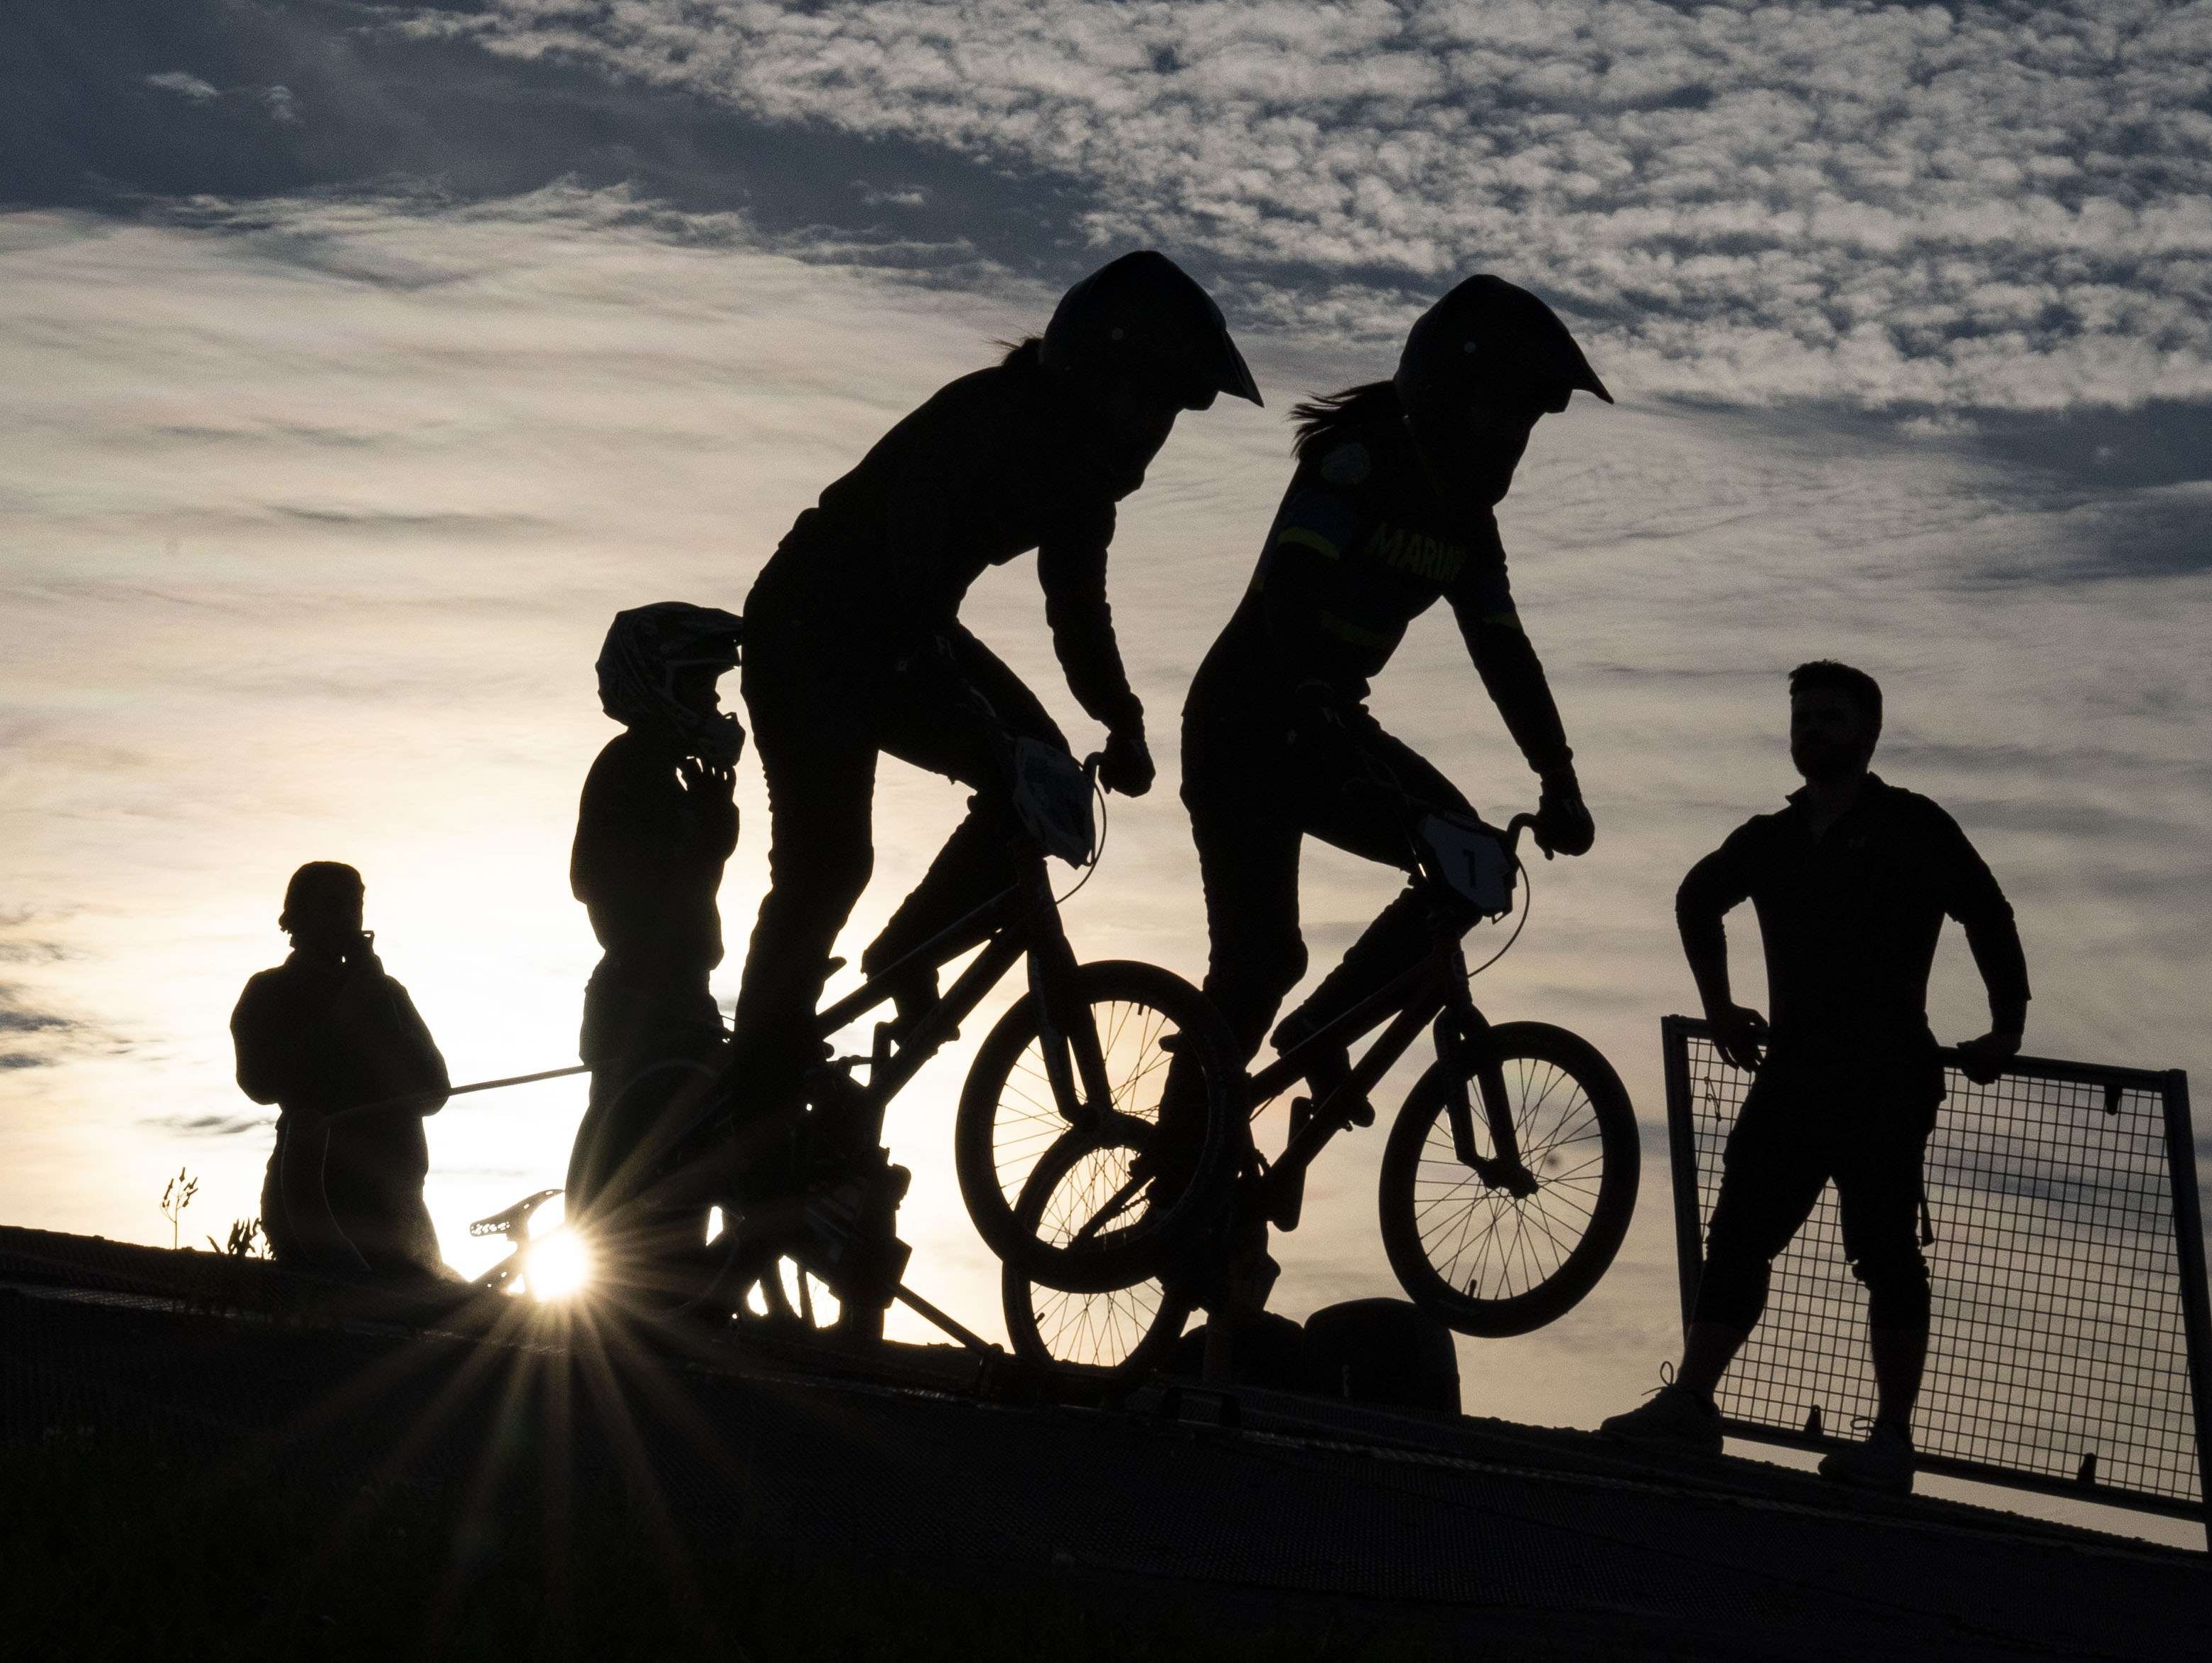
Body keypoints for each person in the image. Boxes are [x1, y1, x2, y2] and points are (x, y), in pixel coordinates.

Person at [728, 250, 1263, 1109]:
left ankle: (907, 950)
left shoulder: (1086, 481)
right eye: (1151, 400)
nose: (1155, 430)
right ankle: (754, 1066)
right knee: (828, 863)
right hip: (811, 629)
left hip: (903, 631)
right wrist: (940, 674)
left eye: (1170, 412)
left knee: (1040, 766)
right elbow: (913, 537)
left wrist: (1120, 720)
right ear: (1098, 374)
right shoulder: (991, 414)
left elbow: (1078, 610)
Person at [1182, 276, 1604, 1150]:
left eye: (1528, 425)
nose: (1514, 442)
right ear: (1450, 398)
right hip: (1244, 725)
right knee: (1259, 961)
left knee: (1476, 862)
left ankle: (1316, 1033)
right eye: (1505, 415)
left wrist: (1557, 771)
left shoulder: (1468, 525)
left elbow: (1503, 651)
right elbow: (1291, 586)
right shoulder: (1356, 463)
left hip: (1329, 723)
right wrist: (1303, 688)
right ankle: (1179, 1155)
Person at [1599, 662, 2030, 1494]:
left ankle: (1891, 1440)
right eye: (1801, 719)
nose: (1811, 732)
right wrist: (1719, 1007)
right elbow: (1696, 898)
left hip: (1886, 1075)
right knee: (1739, 1234)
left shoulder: (1912, 823)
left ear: (1869, 731)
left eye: (1828, 718)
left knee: (1884, 1250)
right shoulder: (1772, 835)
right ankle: (1691, 1401)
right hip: (1792, 1072)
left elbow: (1987, 911)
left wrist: (2006, 1027)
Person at [567, 601, 742, 1211]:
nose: (711, 702)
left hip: (672, 997)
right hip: (644, 1001)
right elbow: (599, 881)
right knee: (635, 1184)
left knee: (683, 1176)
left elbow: (687, 887)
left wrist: (712, 830)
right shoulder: (630, 767)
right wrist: (706, 838)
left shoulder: (666, 770)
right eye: (699, 683)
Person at [231, 861, 453, 1278]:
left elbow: (435, 1092)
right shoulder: (270, 990)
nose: (349, 917)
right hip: (313, 1198)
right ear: (297, 917)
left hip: (398, 1204)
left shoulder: (387, 992)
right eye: (335, 905)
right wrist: (342, 1020)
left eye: (356, 905)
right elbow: (258, 1082)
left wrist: (378, 1011)